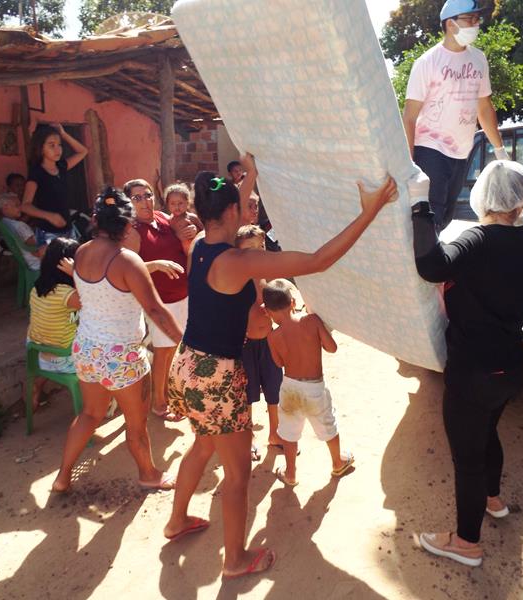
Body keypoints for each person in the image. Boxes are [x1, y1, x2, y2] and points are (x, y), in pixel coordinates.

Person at [164, 154, 397, 579]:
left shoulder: (199, 245)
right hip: (217, 376)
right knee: (237, 475)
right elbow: (317, 261)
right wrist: (371, 210)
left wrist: (249, 173)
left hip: (187, 364)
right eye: (242, 202)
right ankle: (234, 559)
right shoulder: (239, 262)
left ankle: (176, 521)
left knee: (202, 444)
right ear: (233, 211)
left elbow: (232, 206)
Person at [411, 161, 523, 567]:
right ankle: (493, 499)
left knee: (467, 458)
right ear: (521, 200)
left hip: (473, 372)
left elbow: (431, 266)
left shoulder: (478, 238)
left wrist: (421, 213)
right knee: (487, 432)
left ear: (483, 194)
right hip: (509, 369)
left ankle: (466, 543)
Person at [52, 187, 183, 493]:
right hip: (121, 355)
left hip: (86, 348)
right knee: (136, 426)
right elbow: (155, 310)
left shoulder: (81, 252)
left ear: (96, 221)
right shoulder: (128, 260)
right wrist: (186, 344)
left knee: (89, 414)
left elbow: (98, 291)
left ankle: (62, 476)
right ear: (127, 225)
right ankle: (149, 473)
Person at [402, 0, 507, 232]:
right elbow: (409, 117)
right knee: (432, 216)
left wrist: (500, 150)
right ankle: (426, 266)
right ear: (450, 24)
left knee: (447, 214)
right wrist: (409, 165)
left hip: (461, 151)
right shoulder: (428, 62)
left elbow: (484, 107)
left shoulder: (478, 59)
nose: (476, 24)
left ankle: (430, 261)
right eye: (470, 19)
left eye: (478, 19)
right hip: (430, 149)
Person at [263, 279, 354, 487]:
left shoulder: (273, 337)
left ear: (267, 312)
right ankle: (338, 462)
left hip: (290, 389)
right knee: (327, 426)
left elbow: (278, 363)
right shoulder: (311, 322)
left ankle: (291, 473)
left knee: (289, 433)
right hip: (314, 388)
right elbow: (332, 348)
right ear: (293, 302)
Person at [123, 178, 195, 422]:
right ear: (128, 203)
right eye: (137, 197)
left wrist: (189, 233)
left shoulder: (164, 218)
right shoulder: (132, 231)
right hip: (160, 302)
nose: (145, 201)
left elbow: (185, 237)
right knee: (163, 352)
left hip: (182, 294)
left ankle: (171, 394)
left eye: (148, 194)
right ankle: (159, 404)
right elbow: (126, 269)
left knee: (174, 347)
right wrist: (156, 265)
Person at [235, 225, 282, 461]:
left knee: (275, 390)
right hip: (244, 345)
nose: (257, 251)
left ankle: (275, 433)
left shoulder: (267, 274)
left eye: (260, 246)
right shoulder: (236, 278)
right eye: (249, 247)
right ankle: (249, 437)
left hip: (269, 342)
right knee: (246, 394)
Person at [28, 237, 80, 410]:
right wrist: (76, 274)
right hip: (66, 360)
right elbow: (95, 299)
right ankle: (97, 404)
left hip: (41, 356)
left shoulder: (37, 287)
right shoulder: (68, 295)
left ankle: (38, 383)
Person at [21, 123, 88, 244]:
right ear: (41, 148)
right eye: (51, 145)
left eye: (59, 145)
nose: (58, 149)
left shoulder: (61, 166)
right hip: (48, 233)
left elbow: (83, 151)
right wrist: (49, 216)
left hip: (68, 230)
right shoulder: (37, 173)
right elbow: (25, 205)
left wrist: (63, 134)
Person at [0, 192, 45, 271]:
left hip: (24, 261)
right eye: (17, 205)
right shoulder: (19, 226)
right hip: (35, 262)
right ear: (5, 208)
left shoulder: (4, 223)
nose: (20, 208)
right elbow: (34, 243)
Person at [164, 182, 204, 255]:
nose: (177, 207)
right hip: (179, 255)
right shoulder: (168, 221)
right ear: (168, 205)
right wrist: (177, 235)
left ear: (187, 203)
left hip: (196, 253)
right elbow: (167, 240)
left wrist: (197, 231)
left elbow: (204, 232)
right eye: (173, 203)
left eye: (180, 203)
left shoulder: (192, 218)